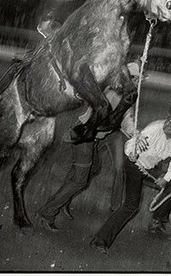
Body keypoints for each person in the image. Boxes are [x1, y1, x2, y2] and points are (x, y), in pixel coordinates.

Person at [34, 61, 142, 232]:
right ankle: (47, 213)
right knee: (80, 180)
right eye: (135, 80)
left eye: (137, 81)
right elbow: (108, 120)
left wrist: (134, 131)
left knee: (93, 168)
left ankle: (62, 202)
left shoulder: (125, 95)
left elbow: (126, 118)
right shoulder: (112, 94)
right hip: (85, 135)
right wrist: (124, 125)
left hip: (93, 137)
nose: (136, 84)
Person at [90, 105, 171, 254]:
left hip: (149, 169)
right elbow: (131, 143)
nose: (169, 124)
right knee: (131, 206)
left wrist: (166, 178)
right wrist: (132, 151)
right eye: (169, 120)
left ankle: (157, 222)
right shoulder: (154, 129)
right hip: (134, 166)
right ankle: (100, 240)